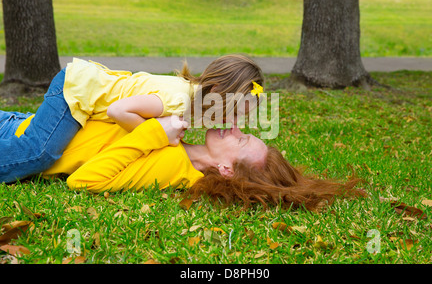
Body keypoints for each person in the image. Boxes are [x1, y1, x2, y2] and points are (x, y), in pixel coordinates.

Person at [2, 111, 365, 212]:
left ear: (226, 169)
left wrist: (155, 132)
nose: (234, 128)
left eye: (240, 138)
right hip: (29, 121)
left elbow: (84, 181)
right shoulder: (185, 144)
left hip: (16, 143)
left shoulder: (173, 171)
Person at [0, 55, 264, 183]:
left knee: (29, 129)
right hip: (77, 91)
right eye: (237, 114)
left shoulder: (192, 106)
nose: (235, 125)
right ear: (217, 93)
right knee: (40, 152)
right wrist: (157, 135)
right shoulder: (178, 100)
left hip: (83, 94)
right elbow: (118, 112)